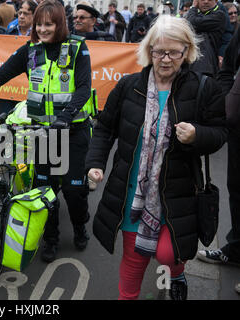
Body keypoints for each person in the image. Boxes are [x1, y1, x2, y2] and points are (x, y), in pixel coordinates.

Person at [86, 15, 227, 300]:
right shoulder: (128, 86)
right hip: (131, 192)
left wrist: (197, 135)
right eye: (159, 51)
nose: (165, 59)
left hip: (177, 193)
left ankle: (176, 273)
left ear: (186, 51)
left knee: (168, 252)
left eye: (174, 52)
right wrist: (95, 165)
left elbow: (221, 132)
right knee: (133, 256)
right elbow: (103, 129)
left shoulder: (203, 88)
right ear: (148, 50)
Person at [0, 0, 94, 263]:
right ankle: (50, 238)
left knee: (74, 191)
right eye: (39, 24)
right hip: (43, 134)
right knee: (44, 190)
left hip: (73, 131)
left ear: (60, 24)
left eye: (48, 24)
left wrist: (65, 118)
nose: (42, 29)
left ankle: (79, 227)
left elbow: (84, 89)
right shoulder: (30, 51)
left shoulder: (77, 48)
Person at [198, 28, 240, 272]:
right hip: (236, 128)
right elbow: (228, 69)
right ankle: (235, 249)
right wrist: (226, 102)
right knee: (236, 189)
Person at [186, 0, 226, 77]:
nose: (206, 2)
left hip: (206, 67)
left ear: (216, 1)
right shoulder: (196, 14)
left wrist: (193, 7)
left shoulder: (219, 15)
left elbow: (192, 23)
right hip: (191, 63)